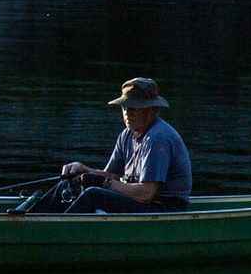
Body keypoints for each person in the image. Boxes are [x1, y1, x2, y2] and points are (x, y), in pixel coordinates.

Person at [56, 76, 193, 213]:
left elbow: (146, 194)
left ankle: (56, 229)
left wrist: (102, 182)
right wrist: (85, 171)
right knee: (67, 185)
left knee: (93, 195)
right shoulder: (127, 134)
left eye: (134, 107)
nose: (127, 112)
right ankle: (37, 218)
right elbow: (112, 175)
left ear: (152, 110)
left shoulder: (157, 139)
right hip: (142, 202)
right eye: (124, 107)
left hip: (164, 207)